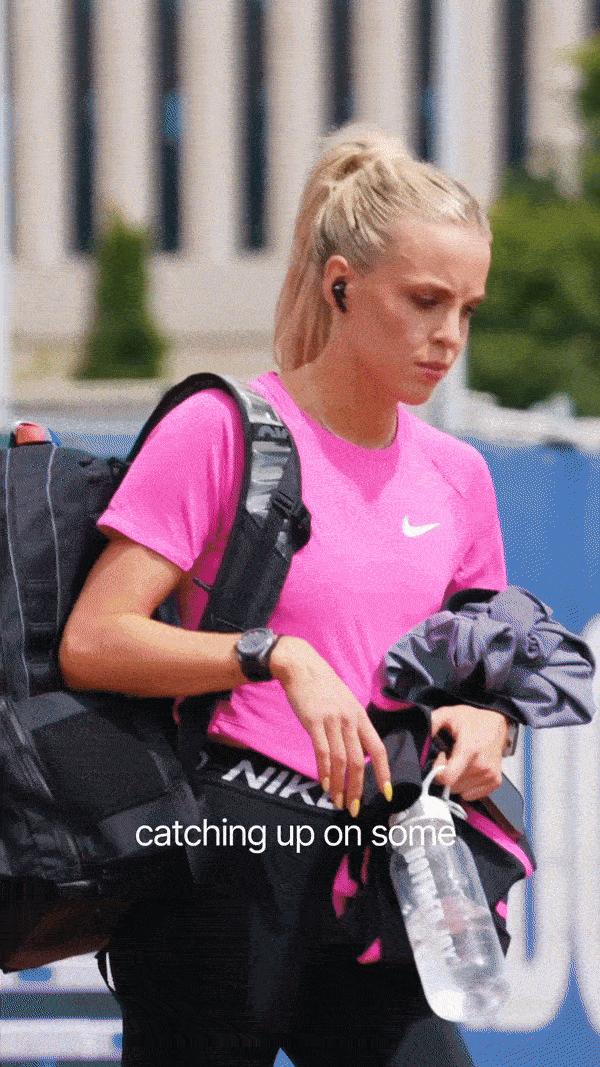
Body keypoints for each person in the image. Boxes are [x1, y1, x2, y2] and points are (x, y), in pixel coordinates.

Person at [56, 128, 512, 1066]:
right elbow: (95, 640)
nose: (450, 338)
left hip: (382, 878)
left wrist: (485, 727)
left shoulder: (460, 475)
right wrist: (273, 653)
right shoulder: (221, 428)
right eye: (425, 302)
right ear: (342, 283)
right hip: (221, 866)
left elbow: (482, 665)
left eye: (467, 308)